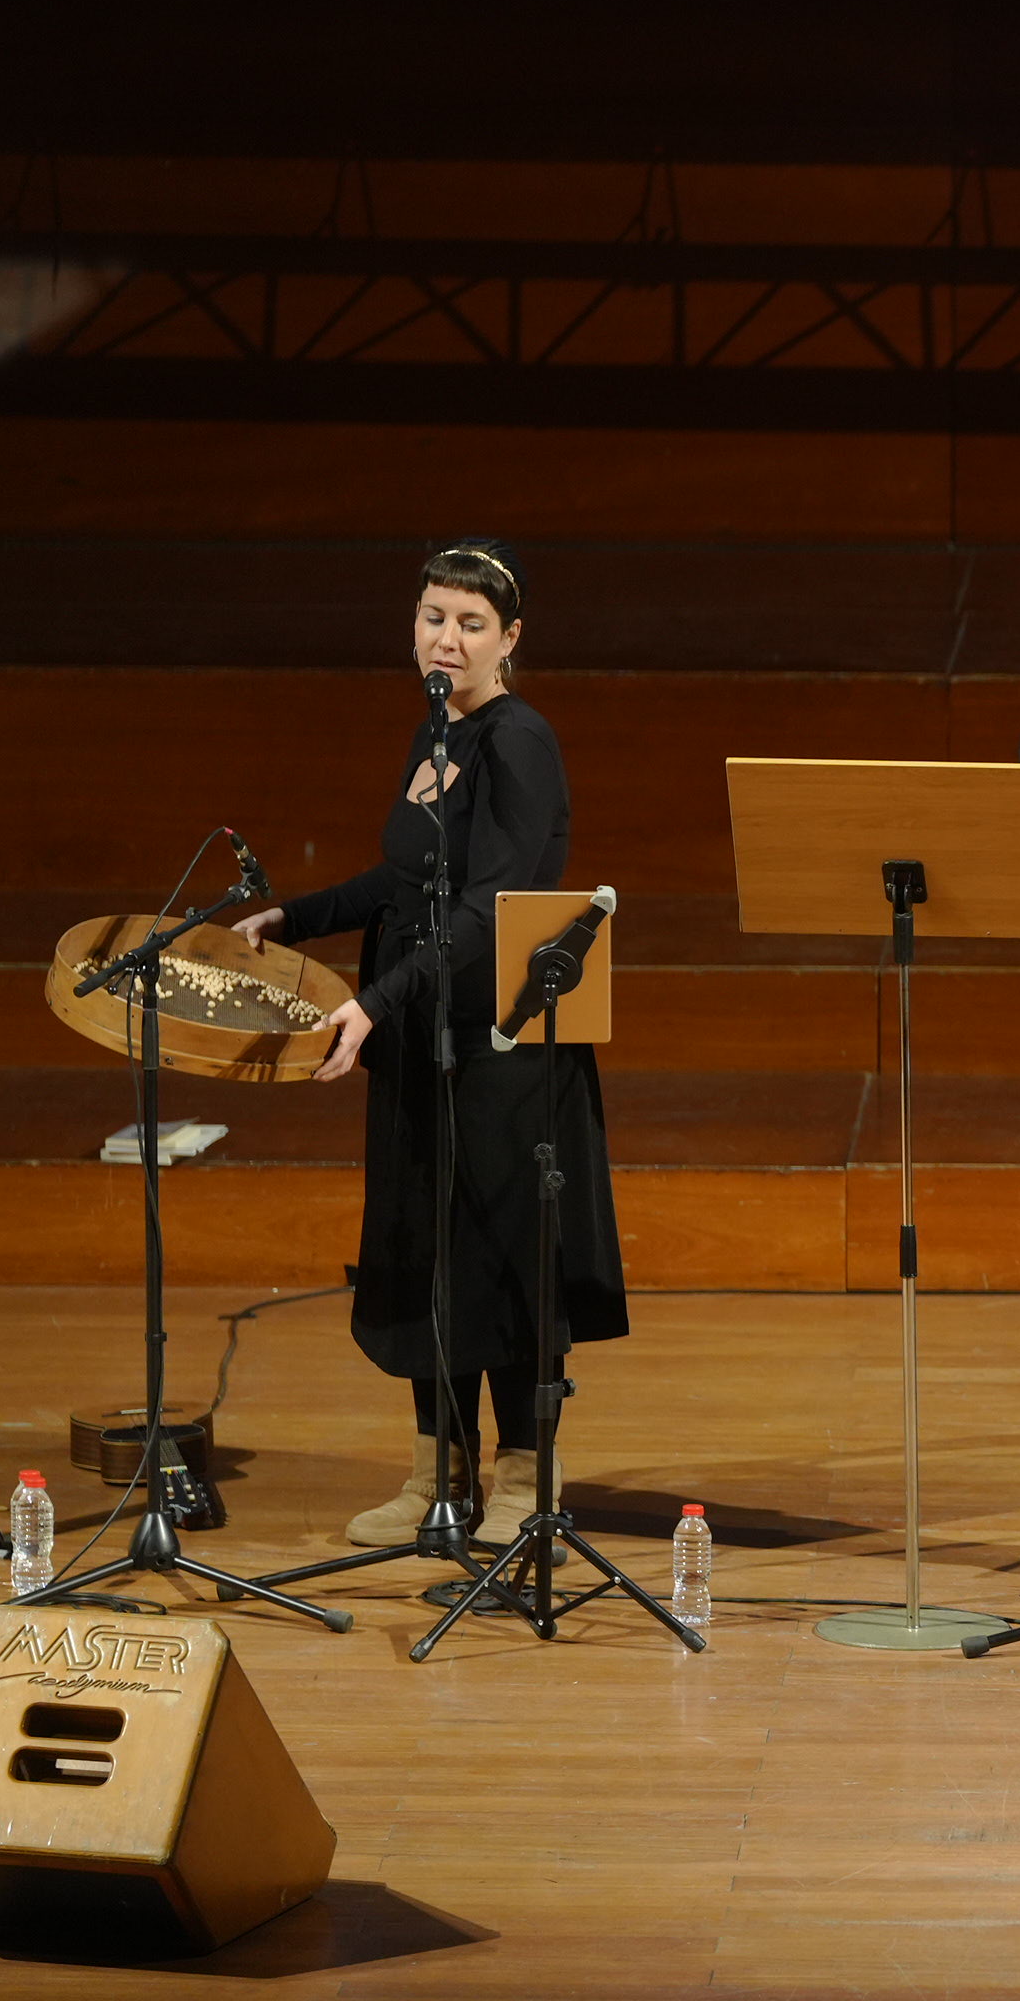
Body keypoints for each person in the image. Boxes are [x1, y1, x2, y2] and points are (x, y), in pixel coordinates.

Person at [236, 540, 626, 1548]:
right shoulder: (436, 731)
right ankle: (436, 1471)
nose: (447, 638)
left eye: (470, 623)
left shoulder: (519, 740)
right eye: (433, 617)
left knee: (502, 1253)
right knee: (425, 1248)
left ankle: (523, 1471)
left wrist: (373, 999)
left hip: (501, 1042)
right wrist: (295, 916)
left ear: (510, 637)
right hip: (420, 1029)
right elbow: (404, 878)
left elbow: (489, 904)